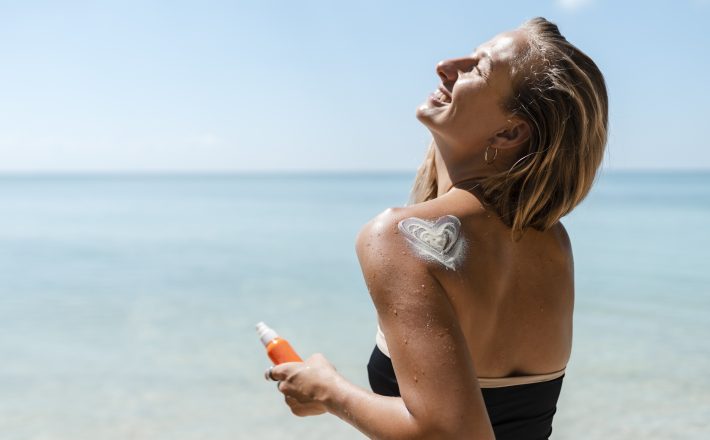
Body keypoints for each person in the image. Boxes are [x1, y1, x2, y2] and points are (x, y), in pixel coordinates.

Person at [266, 16, 608, 440]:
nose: (447, 65)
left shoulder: (397, 236)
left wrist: (329, 390)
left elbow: (449, 434)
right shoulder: (553, 243)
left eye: (478, 68)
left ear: (509, 131)